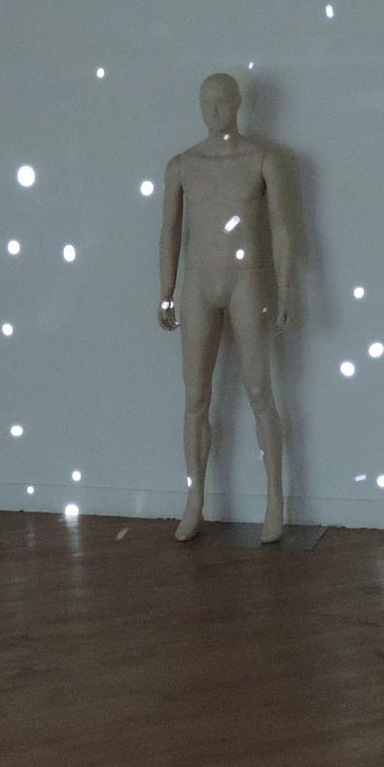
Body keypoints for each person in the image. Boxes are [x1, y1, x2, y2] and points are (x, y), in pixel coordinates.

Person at [157, 73, 294, 543]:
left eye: (221, 101)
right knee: (195, 396)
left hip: (246, 280)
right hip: (199, 283)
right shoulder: (183, 165)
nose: (213, 109)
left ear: (237, 103)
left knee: (259, 391)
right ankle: (195, 498)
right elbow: (170, 232)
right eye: (206, 101)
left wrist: (286, 289)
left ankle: (274, 500)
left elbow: (282, 227)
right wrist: (165, 290)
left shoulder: (261, 159)